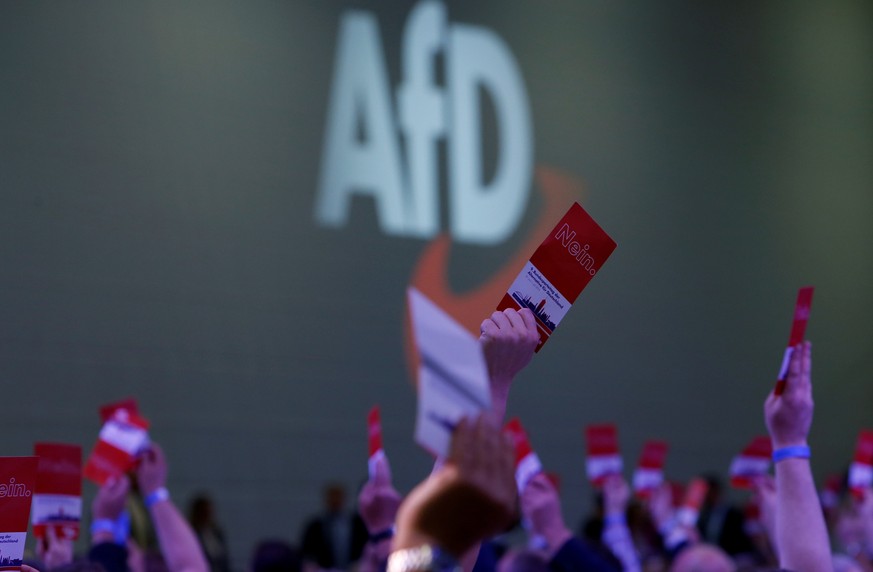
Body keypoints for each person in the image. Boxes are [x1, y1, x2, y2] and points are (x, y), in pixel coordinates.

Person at [300, 482, 368, 570]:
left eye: (338, 497)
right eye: (332, 497)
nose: (335, 501)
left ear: (344, 498)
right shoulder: (315, 526)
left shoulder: (358, 524)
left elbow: (366, 546)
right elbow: (307, 553)